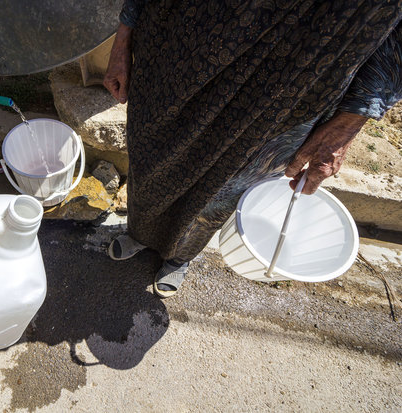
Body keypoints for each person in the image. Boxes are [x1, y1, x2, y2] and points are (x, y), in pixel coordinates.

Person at [103, 0, 402, 297]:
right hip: (180, 51)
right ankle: (140, 233)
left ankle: (180, 256)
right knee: (152, 160)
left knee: (224, 192)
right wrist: (124, 34)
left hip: (295, 92)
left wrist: (350, 122)